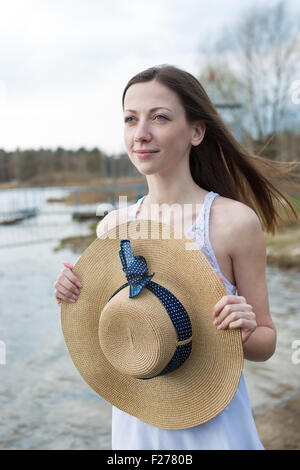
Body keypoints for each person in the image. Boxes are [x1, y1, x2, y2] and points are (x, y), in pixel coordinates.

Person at [54, 64, 299, 450]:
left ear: (196, 132)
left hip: (215, 425)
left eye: (160, 118)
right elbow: (113, 329)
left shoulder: (232, 222)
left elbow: (265, 343)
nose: (141, 134)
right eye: (130, 119)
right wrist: (73, 294)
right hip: (137, 421)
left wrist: (246, 330)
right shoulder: (114, 227)